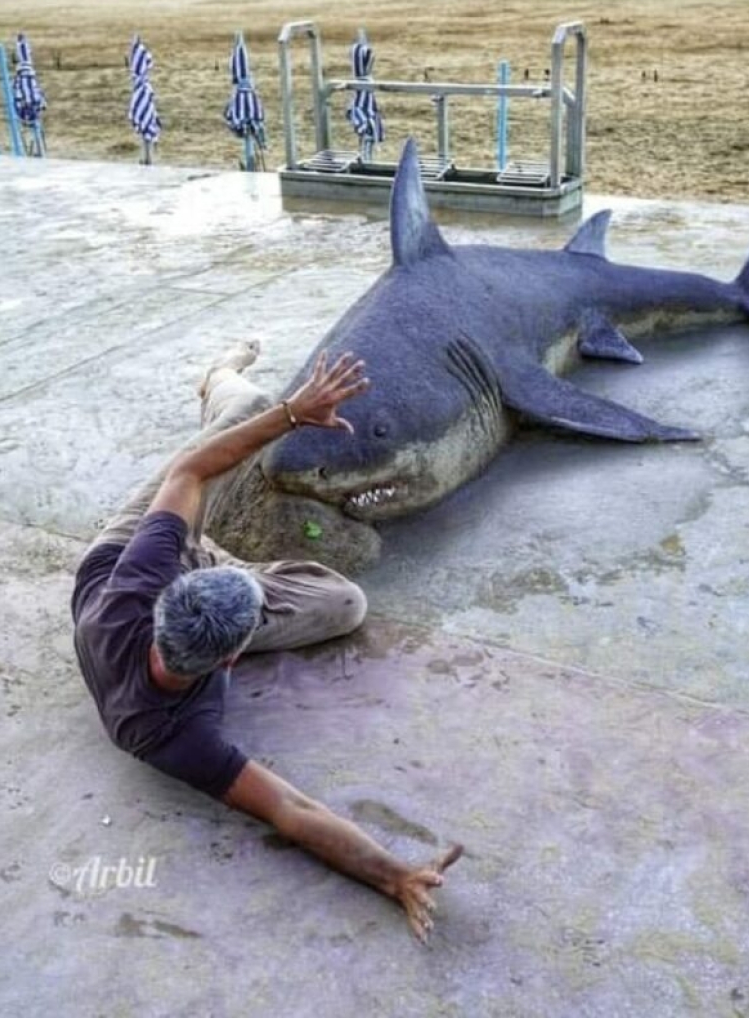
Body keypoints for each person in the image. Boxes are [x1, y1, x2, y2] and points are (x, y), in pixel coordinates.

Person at [71, 340, 462, 942]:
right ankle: (225, 549)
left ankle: (217, 376)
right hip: (168, 562)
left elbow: (189, 471)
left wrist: (293, 413)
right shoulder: (173, 737)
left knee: (251, 406)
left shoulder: (133, 588)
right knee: (345, 603)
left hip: (123, 550)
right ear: (234, 656)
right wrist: (394, 876)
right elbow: (291, 810)